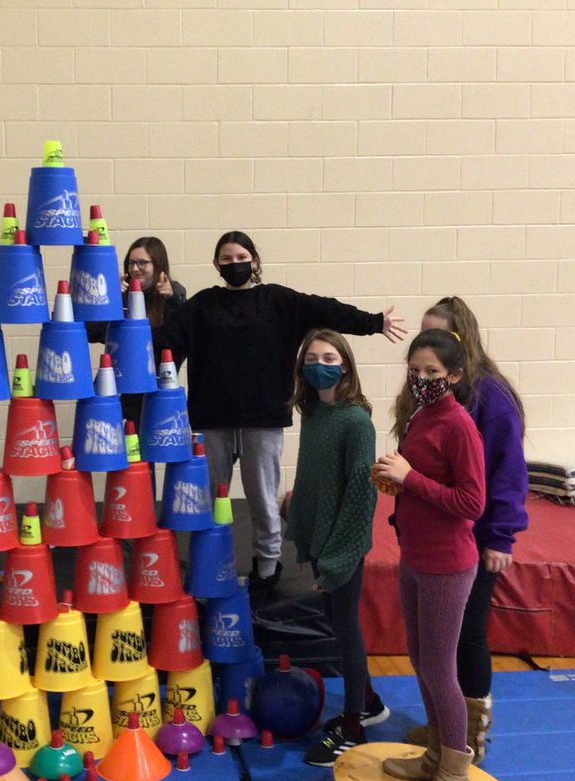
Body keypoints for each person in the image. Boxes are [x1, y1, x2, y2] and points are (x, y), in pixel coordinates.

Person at [161, 230, 406, 603]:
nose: (234, 264)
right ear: (215, 265)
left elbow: (325, 309)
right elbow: (163, 342)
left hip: (263, 418)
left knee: (262, 499)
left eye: (241, 257)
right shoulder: (202, 305)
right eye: (226, 259)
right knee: (208, 500)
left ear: (255, 261)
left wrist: (372, 322)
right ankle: (209, 565)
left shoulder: (277, 300)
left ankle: (266, 567)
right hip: (212, 419)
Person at [401, 297, 528, 761]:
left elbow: (506, 471)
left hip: (473, 537)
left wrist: (501, 535)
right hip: (435, 533)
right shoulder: (425, 400)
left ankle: (470, 736)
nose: (429, 344)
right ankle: (444, 734)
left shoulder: (489, 399)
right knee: (433, 650)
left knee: (467, 635)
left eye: (441, 335)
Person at [372, 329, 486, 781]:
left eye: (432, 372)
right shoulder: (421, 415)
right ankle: (436, 755)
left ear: (454, 376)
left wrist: (410, 478)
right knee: (420, 660)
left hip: (446, 564)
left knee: (440, 668)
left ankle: (456, 780)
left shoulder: (459, 426)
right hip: (415, 557)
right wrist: (397, 480)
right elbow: (421, 480)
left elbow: (472, 502)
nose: (421, 378)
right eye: (415, 370)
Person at [283, 329, 388, 766]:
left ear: (344, 365)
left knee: (345, 630)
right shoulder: (313, 412)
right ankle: (371, 702)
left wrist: (339, 557)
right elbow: (313, 475)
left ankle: (353, 724)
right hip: (320, 537)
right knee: (334, 621)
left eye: (329, 358)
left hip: (343, 542)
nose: (320, 365)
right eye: (311, 358)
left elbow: (362, 495)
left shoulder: (356, 422)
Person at [87, 236, 186, 426]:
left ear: (158, 265)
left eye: (142, 263)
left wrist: (174, 299)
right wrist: (109, 299)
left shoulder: (171, 298)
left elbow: (181, 334)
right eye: (131, 263)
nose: (135, 268)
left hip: (151, 387)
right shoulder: (121, 296)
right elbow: (92, 332)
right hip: (117, 384)